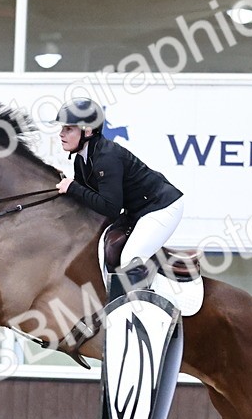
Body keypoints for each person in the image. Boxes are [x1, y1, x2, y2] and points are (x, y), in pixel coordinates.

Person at [54, 98, 183, 284]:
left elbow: (110, 207)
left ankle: (142, 310)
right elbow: (87, 202)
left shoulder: (106, 156)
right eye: (62, 129)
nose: (61, 134)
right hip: (137, 210)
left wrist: (73, 187)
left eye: (68, 129)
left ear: (87, 130)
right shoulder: (81, 159)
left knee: (130, 259)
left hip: (162, 208)